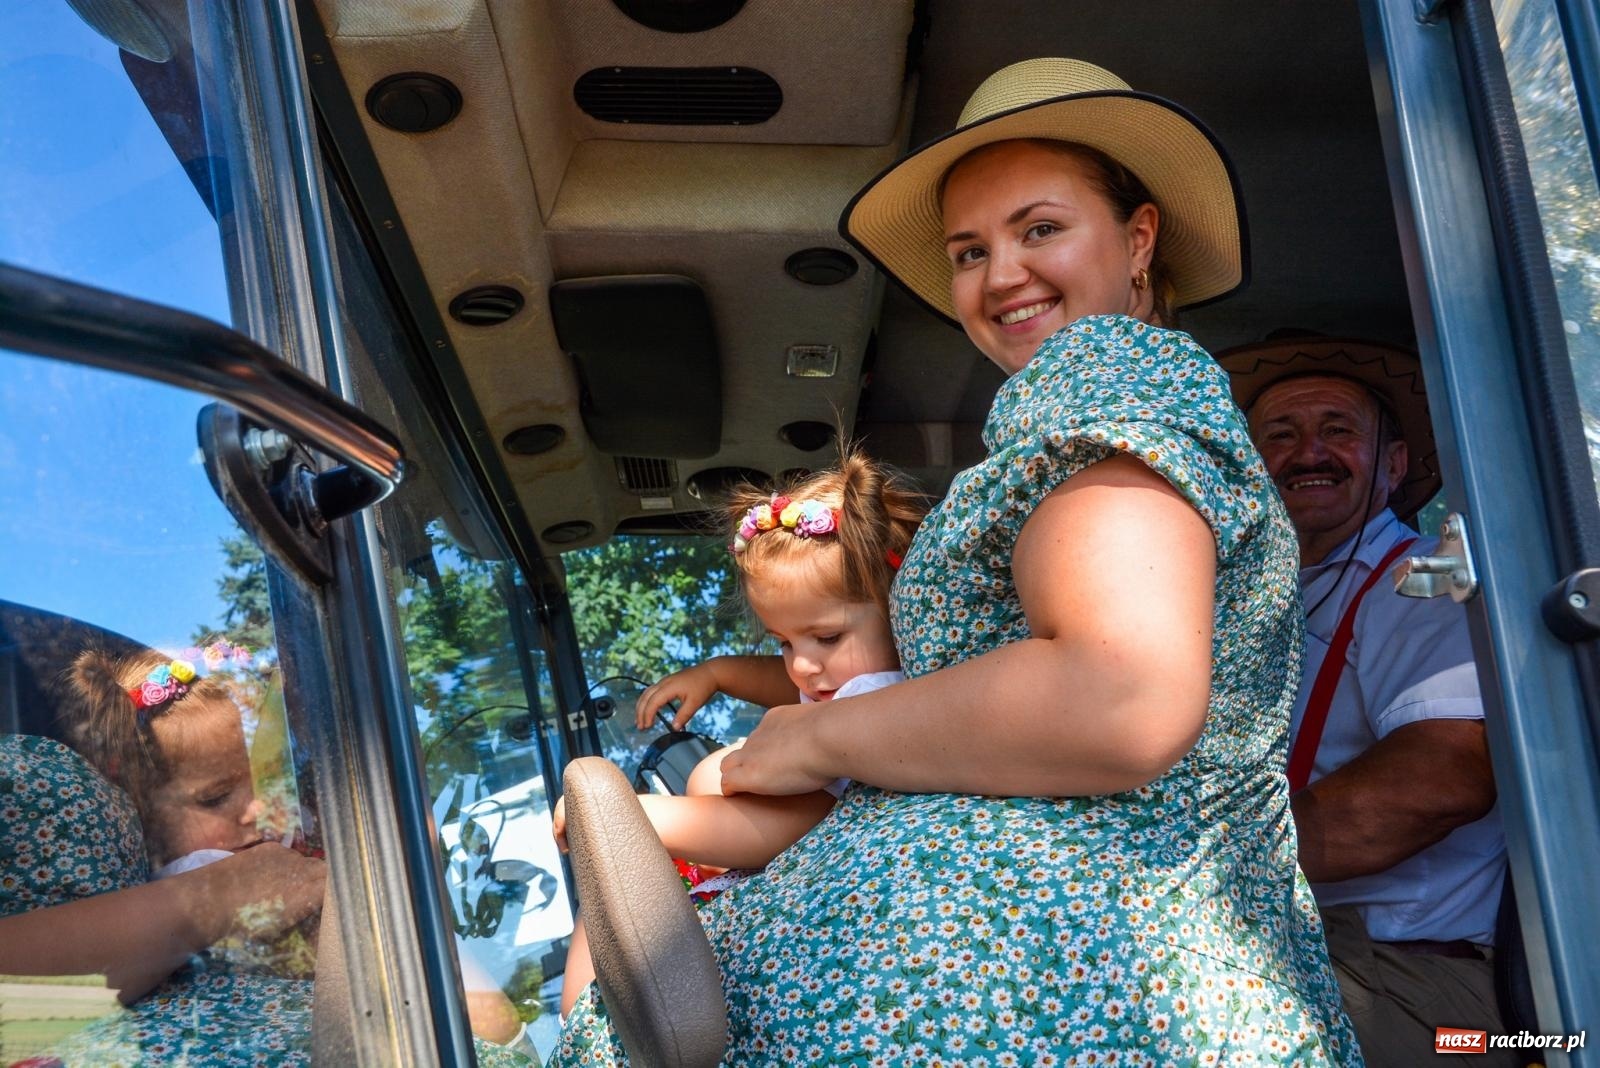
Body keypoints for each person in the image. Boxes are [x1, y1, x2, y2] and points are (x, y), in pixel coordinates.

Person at [550, 57, 1361, 1065]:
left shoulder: (1109, 390)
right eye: (969, 251)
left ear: (1139, 238)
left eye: (1039, 229)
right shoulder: (1072, 412)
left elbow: (1116, 695)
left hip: (1092, 993)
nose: (1000, 275)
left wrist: (811, 743)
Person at [0, 644, 530, 1063]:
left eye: (267, 783)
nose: (256, 809)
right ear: (138, 815)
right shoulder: (200, 883)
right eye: (214, 797)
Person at [1219, 335, 1512, 1067]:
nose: (1307, 452)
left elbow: (1445, 777)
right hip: (1306, 947)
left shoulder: (1421, 580)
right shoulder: (1258, 597)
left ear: (1394, 465)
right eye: (1280, 435)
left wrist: (1208, 863)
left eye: (1338, 430)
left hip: (1413, 979)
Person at [552, 451, 925, 1016]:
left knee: (605, 937)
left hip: (765, 879)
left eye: (824, 638)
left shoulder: (877, 704)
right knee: (605, 916)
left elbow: (789, 826)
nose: (800, 665)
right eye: (783, 641)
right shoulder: (856, 682)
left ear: (901, 608)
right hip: (728, 867)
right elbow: (793, 683)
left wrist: (640, 819)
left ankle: (581, 1023)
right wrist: (719, 672)